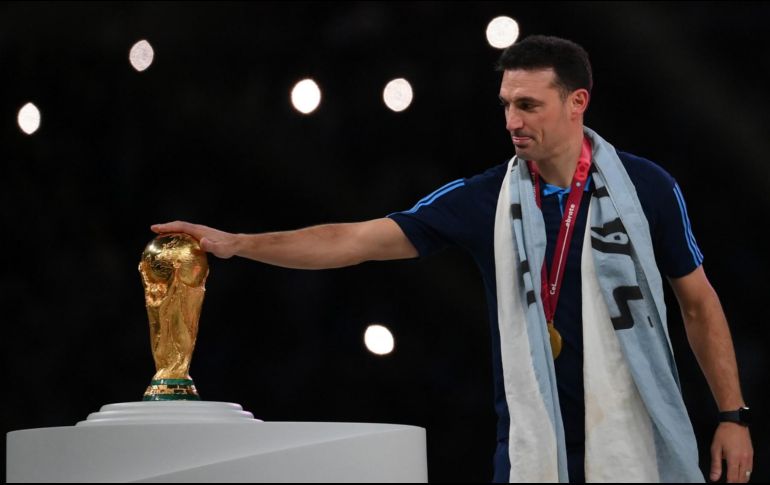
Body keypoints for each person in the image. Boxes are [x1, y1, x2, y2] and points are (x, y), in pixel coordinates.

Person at [152, 35, 753, 483]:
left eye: (529, 105)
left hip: (636, 440)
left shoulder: (647, 188)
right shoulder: (486, 198)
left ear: (577, 102)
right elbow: (354, 240)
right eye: (505, 105)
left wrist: (733, 415)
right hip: (529, 448)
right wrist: (239, 244)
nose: (512, 121)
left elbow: (698, 304)